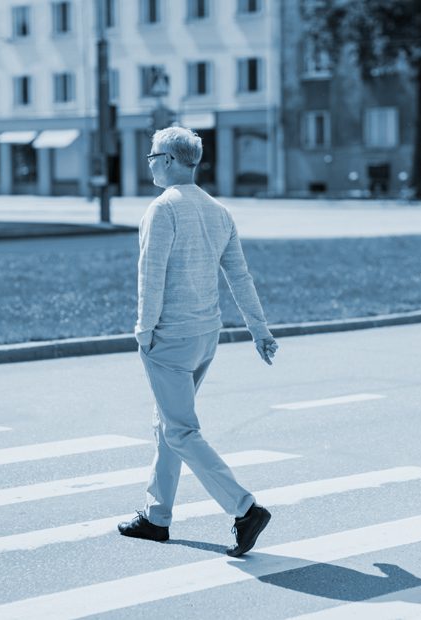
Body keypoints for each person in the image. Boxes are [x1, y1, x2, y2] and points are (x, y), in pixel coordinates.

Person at [118, 126, 279, 558]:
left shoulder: (163, 209)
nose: (149, 163)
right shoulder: (217, 211)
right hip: (206, 336)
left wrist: (143, 330)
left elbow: (150, 277)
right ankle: (156, 517)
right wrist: (259, 330)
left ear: (169, 160)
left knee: (181, 429)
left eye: (153, 156)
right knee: (167, 423)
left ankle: (244, 508)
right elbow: (239, 276)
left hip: (169, 336)